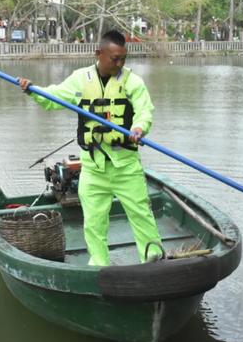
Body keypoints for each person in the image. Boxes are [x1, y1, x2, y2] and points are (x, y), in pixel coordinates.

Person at [18, 30, 163, 267]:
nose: (119, 64)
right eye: (114, 59)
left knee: (141, 215)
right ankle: (99, 265)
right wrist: (33, 90)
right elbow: (54, 97)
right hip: (93, 167)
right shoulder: (80, 79)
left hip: (125, 165)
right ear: (99, 54)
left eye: (123, 59)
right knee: (94, 222)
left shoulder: (132, 82)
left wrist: (139, 128)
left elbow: (144, 110)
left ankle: (153, 261)